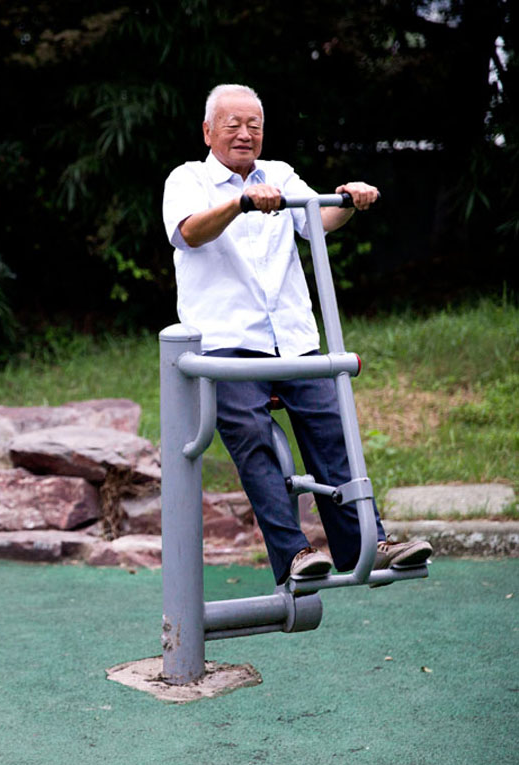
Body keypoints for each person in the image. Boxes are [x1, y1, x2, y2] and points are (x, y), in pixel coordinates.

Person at [161, 84, 432, 585]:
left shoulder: (280, 175)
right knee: (252, 437)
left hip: (293, 336)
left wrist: (351, 200)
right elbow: (189, 231)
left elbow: (317, 221)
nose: (245, 133)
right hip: (228, 342)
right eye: (233, 124)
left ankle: (368, 543)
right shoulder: (188, 178)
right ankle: (294, 554)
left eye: (254, 125)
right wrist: (240, 203)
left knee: (334, 431)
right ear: (208, 131)